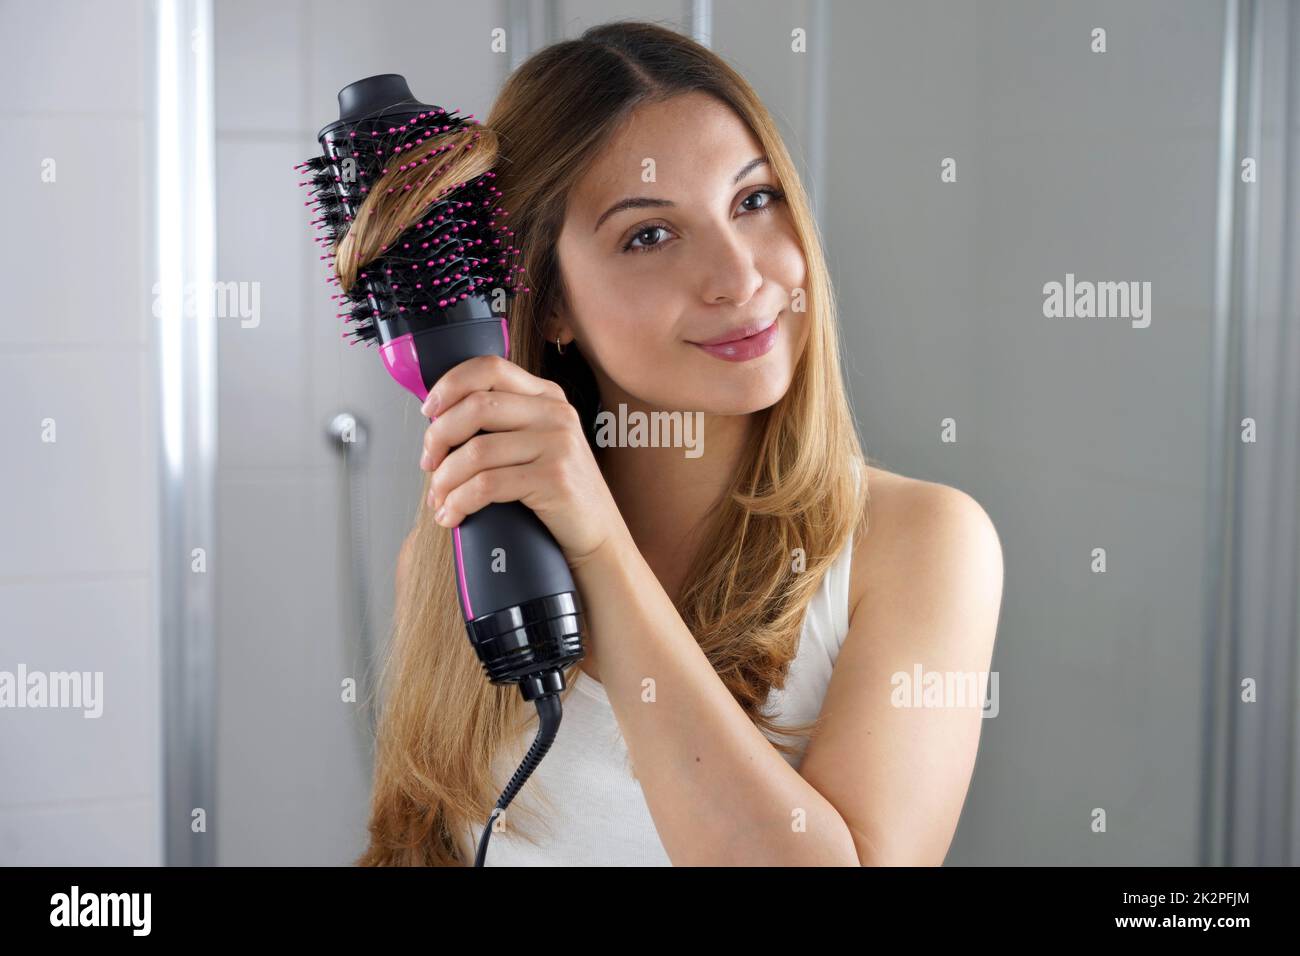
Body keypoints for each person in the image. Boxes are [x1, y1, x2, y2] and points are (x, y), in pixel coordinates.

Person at [353, 19, 1003, 866]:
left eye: (753, 200)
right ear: (547, 304)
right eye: (649, 235)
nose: (740, 276)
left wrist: (599, 549)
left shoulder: (920, 546)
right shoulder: (452, 568)